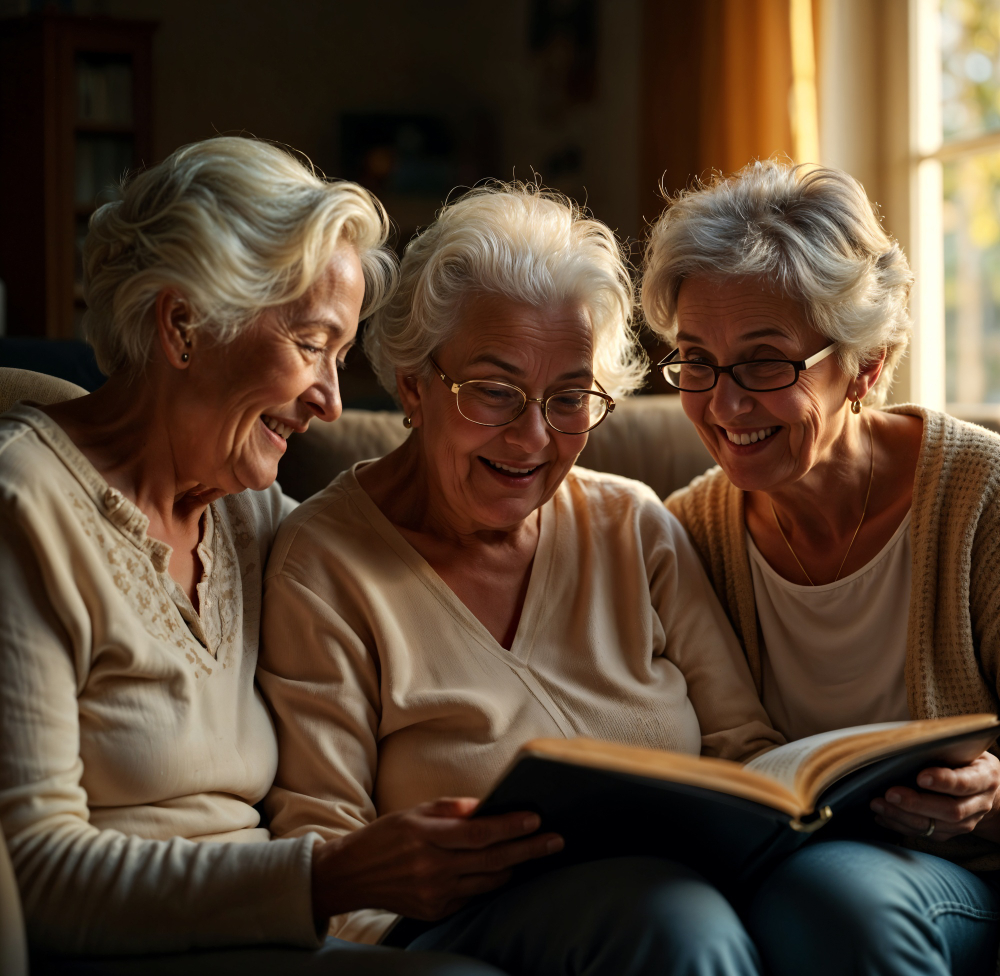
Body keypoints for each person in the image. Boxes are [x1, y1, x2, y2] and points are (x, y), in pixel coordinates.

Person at [0, 137, 558, 976]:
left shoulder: (250, 515)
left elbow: (396, 563)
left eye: (339, 357)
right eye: (311, 344)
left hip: (277, 938)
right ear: (183, 325)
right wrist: (327, 874)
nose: (331, 403)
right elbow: (33, 876)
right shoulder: (25, 509)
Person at [256, 182, 785, 976]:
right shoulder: (324, 564)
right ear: (412, 384)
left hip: (679, 899)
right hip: (454, 934)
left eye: (570, 398)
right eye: (496, 392)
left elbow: (748, 752)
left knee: (686, 918)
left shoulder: (634, 528)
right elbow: (326, 847)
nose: (534, 437)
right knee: (676, 929)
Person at [642, 158, 1000, 976]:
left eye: (765, 362)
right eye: (697, 360)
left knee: (836, 896)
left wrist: (991, 799)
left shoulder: (982, 500)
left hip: (964, 879)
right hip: (781, 881)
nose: (726, 406)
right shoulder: (683, 531)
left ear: (867, 367)